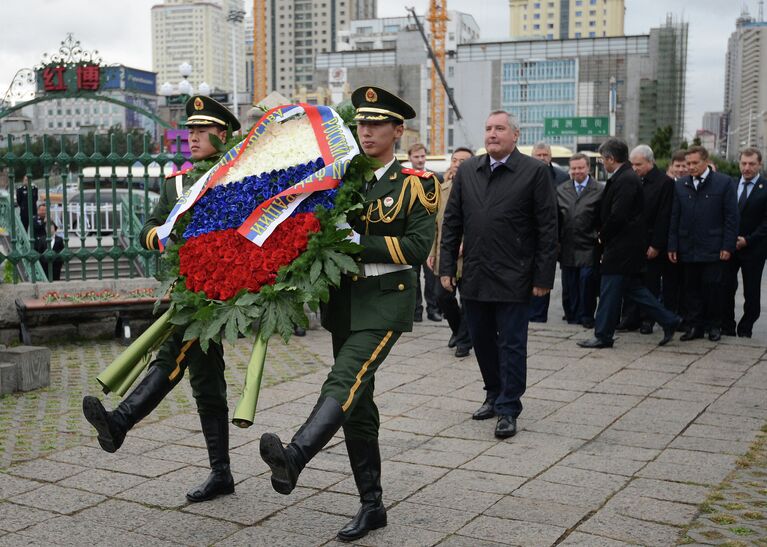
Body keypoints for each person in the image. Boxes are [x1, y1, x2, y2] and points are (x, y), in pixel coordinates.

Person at [259, 87, 438, 542]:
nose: (367, 131)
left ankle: (296, 455)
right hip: (343, 304)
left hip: (384, 301)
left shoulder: (416, 184)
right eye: (362, 123)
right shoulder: (341, 178)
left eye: (378, 124)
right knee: (357, 407)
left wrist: (357, 244)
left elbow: (417, 247)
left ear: (399, 130)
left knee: (345, 380)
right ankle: (372, 506)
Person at [82, 95, 241, 503]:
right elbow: (150, 227)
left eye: (203, 130)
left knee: (172, 358)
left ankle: (120, 422)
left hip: (218, 296)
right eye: (189, 130)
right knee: (207, 383)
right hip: (185, 291)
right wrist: (164, 237)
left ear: (222, 135)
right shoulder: (176, 183)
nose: (193, 137)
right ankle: (221, 473)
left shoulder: (237, 179)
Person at [439, 110, 558, 438]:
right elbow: (452, 223)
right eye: (488, 128)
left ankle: (509, 407)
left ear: (515, 135)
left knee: (512, 344)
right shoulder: (468, 172)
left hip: (515, 276)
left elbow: (548, 228)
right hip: (475, 274)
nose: (492, 134)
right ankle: (493, 394)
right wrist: (447, 267)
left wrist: (543, 278)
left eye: (499, 128)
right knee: (481, 341)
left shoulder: (534, 172)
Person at [578, 138, 682, 349]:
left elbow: (618, 215)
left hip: (621, 247)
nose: (602, 164)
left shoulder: (625, 179)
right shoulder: (625, 176)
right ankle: (670, 320)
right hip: (626, 247)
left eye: (603, 160)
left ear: (610, 158)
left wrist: (601, 236)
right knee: (634, 290)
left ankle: (603, 335)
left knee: (608, 292)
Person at [668, 145, 738, 342]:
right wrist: (672, 245)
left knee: (713, 288)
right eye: (688, 163)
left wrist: (727, 246)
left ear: (706, 161)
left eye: (694, 163)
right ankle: (694, 326)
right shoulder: (680, 184)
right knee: (690, 289)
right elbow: (675, 216)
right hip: (687, 246)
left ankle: (714, 325)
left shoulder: (724, 183)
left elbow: (731, 217)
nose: (690, 167)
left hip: (714, 247)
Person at [617, 144, 676, 334]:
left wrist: (656, 245)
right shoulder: (632, 179)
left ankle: (647, 320)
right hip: (632, 243)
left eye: (638, 164)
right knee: (630, 282)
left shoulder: (664, 183)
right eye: (632, 164)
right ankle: (629, 318)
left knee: (649, 283)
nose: (634, 168)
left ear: (650, 162)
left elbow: (664, 216)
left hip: (651, 243)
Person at [428, 147, 474, 357]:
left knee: (468, 300)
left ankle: (464, 342)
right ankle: (458, 330)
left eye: (462, 161)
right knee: (442, 296)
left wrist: (466, 242)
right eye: (455, 160)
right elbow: (437, 225)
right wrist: (432, 251)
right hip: (444, 254)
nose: (457, 164)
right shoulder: (443, 189)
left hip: (470, 255)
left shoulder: (477, 190)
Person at [723, 148, 767, 338]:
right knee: (725, 288)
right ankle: (727, 326)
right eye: (744, 163)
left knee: (751, 293)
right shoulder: (730, 185)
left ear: (760, 165)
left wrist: (747, 240)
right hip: (730, 247)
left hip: (754, 249)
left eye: (751, 164)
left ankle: (745, 327)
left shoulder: (765, 188)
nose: (747, 168)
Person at [557, 153, 602, 328]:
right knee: (569, 284)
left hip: (589, 246)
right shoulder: (561, 190)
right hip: (567, 245)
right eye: (573, 168)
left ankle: (586, 316)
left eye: (580, 168)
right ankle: (572, 315)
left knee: (587, 282)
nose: (577, 171)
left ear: (588, 168)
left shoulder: (599, 189)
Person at [529, 141, 568, 322]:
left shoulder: (562, 177)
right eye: (539, 155)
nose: (543, 158)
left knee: (544, 275)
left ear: (551, 156)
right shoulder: (524, 174)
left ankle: (539, 317)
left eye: (545, 155)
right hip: (529, 235)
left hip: (555, 235)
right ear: (532, 156)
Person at [408, 143, 442, 323]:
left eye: (422, 156)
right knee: (412, 276)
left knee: (431, 276)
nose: (420, 160)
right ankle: (416, 311)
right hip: (411, 235)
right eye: (416, 157)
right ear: (410, 158)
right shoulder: (405, 179)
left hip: (429, 235)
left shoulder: (436, 177)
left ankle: (433, 309)